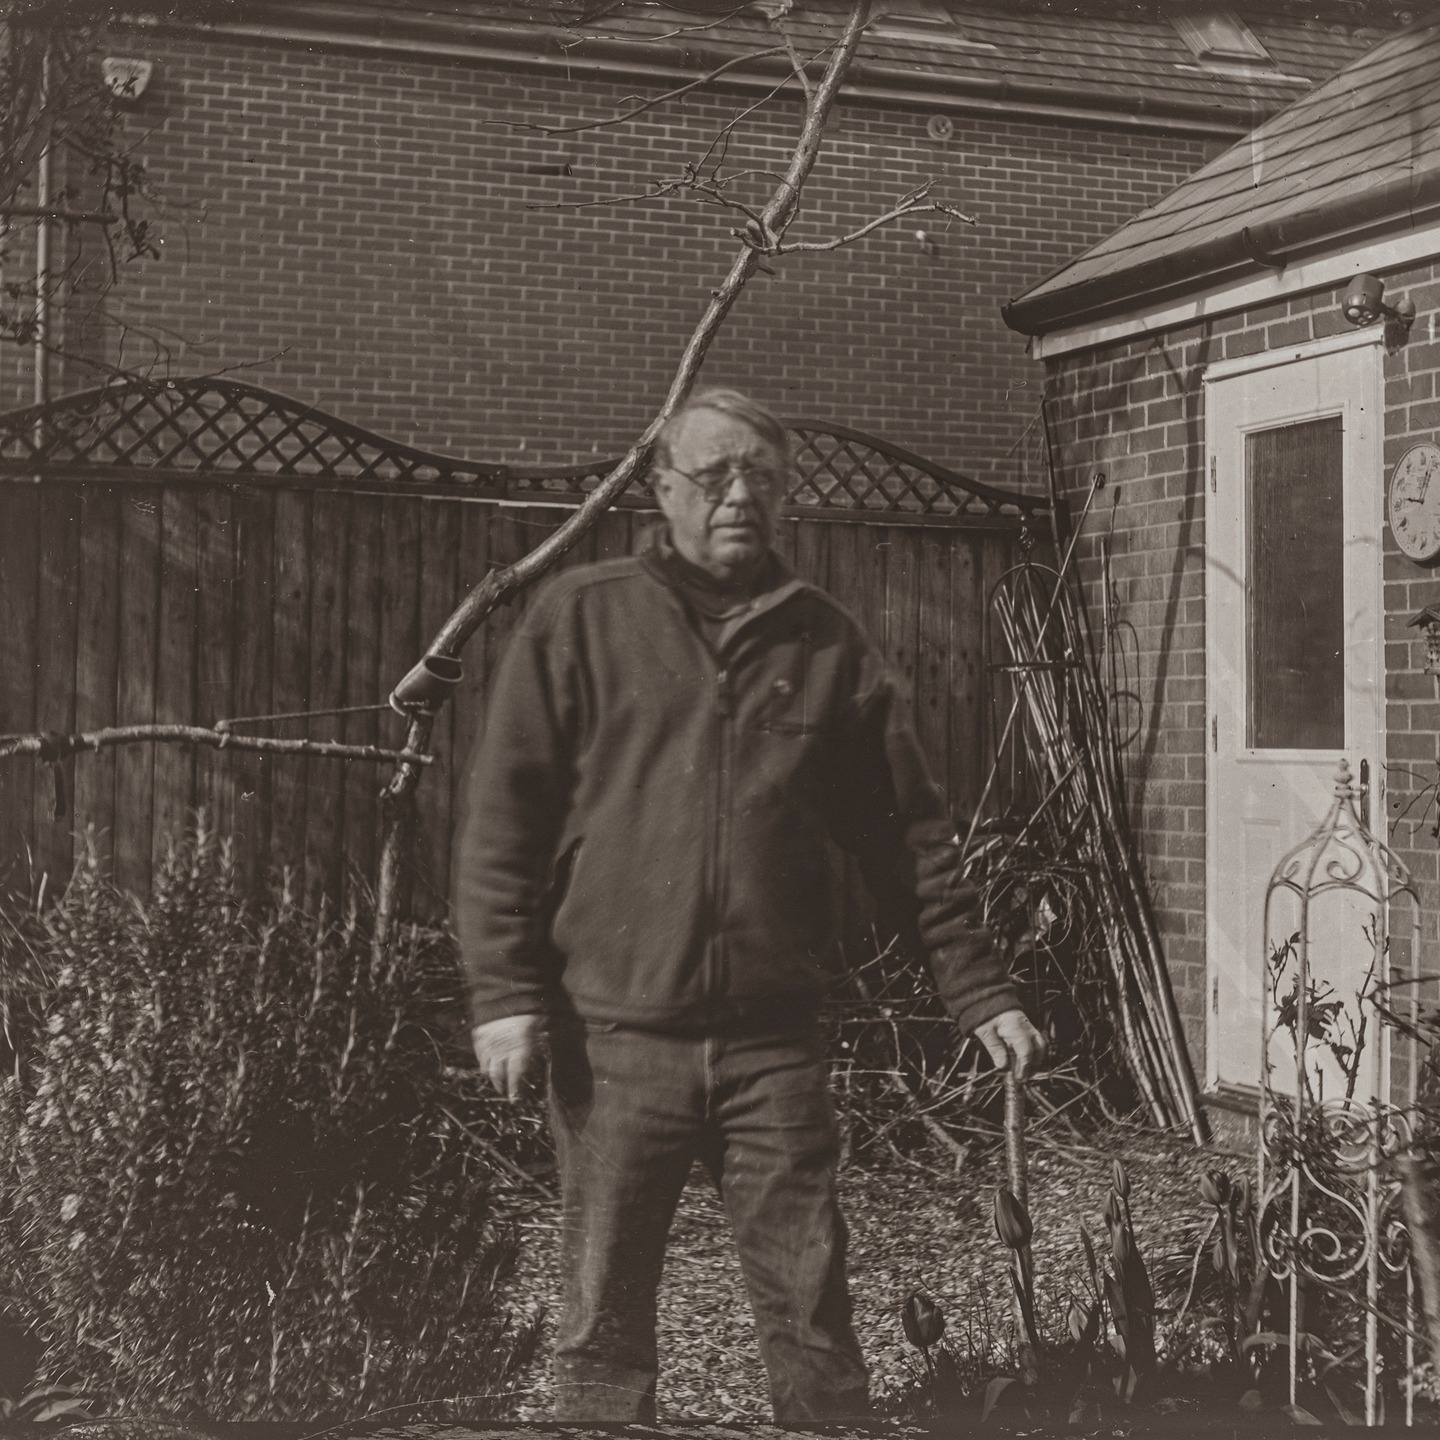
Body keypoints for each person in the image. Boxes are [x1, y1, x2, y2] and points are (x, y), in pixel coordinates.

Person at [453, 388, 1046, 1423]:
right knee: (602, 1321)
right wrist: (505, 993)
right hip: (614, 1038)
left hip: (775, 1044)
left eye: (762, 479)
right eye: (714, 473)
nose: (739, 495)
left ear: (789, 506)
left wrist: (980, 990)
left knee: (813, 1311)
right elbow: (505, 824)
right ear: (662, 490)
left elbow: (907, 838)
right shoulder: (584, 620)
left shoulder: (828, 646)